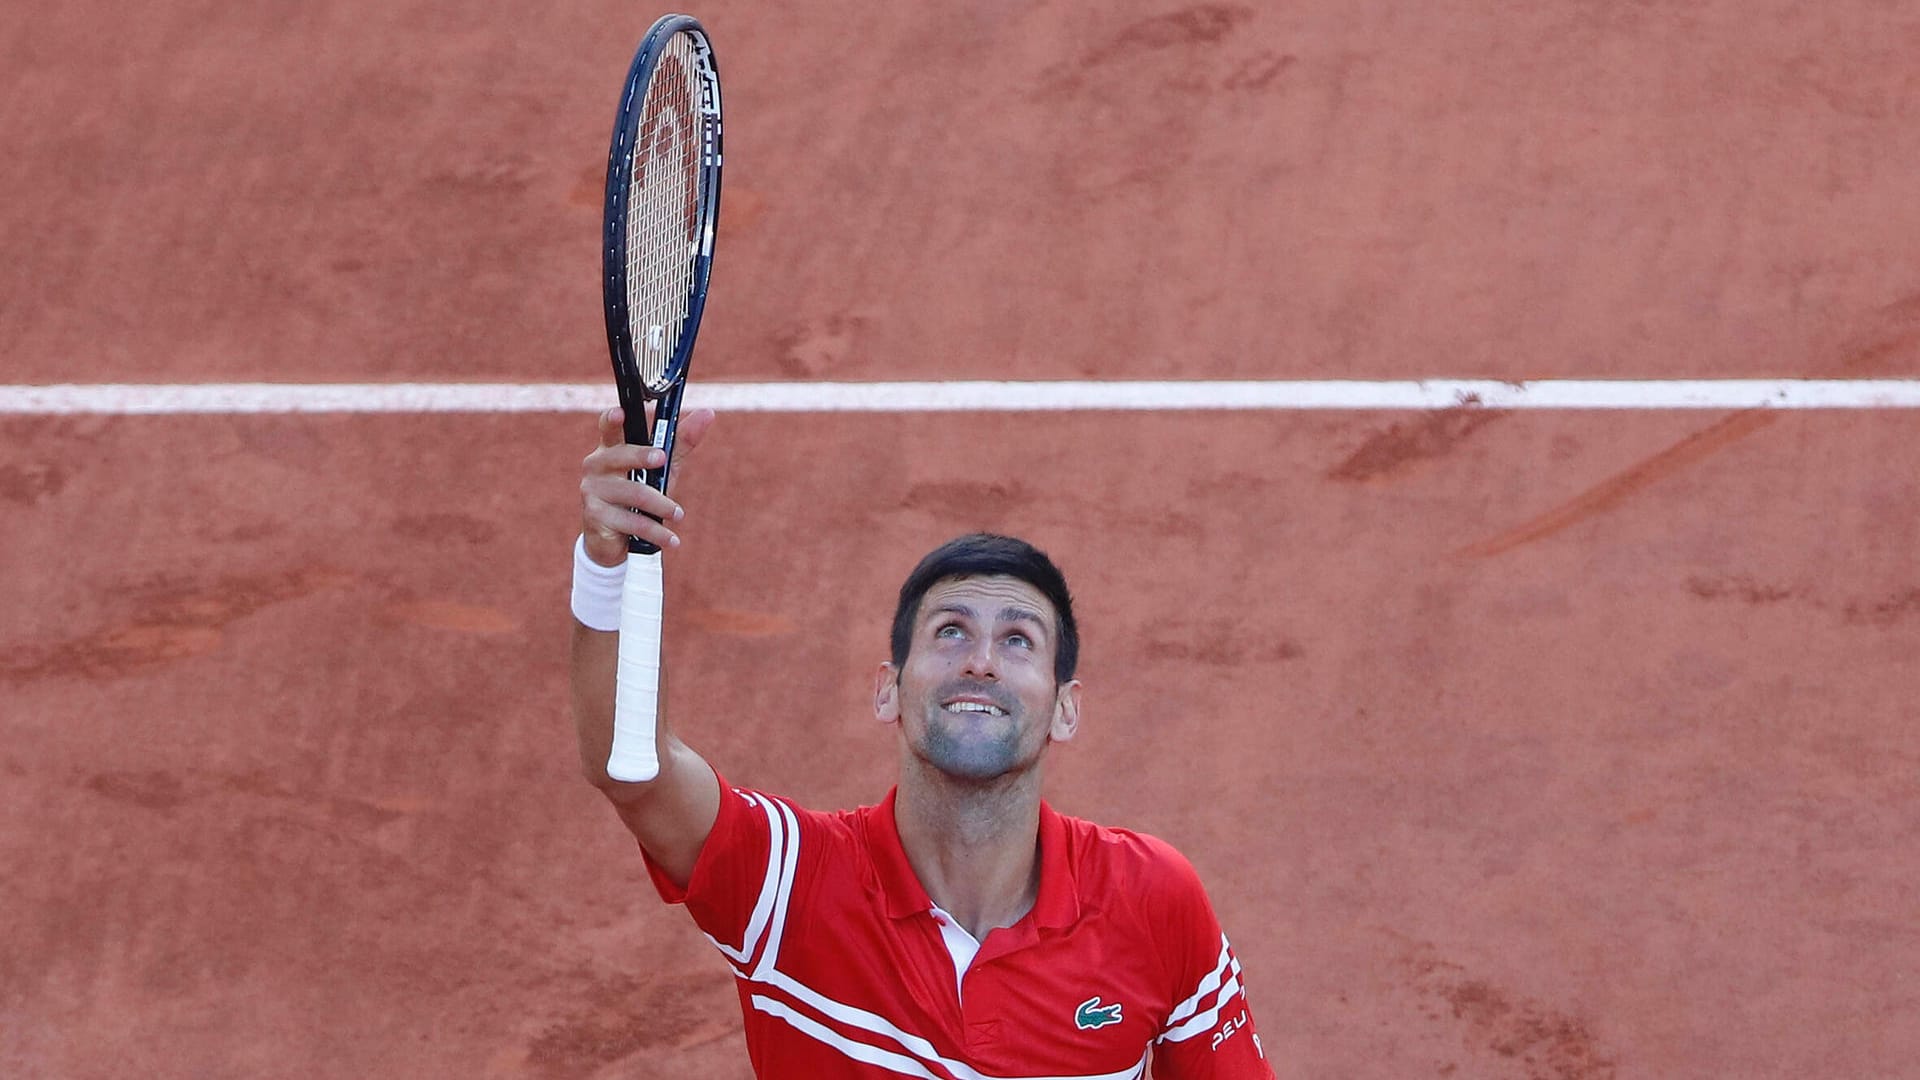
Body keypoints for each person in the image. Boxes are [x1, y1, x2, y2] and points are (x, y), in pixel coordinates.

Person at [570, 405, 1274, 1078]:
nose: (981, 661)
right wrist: (611, 562)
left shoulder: (1151, 903)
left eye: (1019, 640)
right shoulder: (788, 887)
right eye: (951, 631)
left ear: (1066, 709)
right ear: (888, 690)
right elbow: (632, 766)